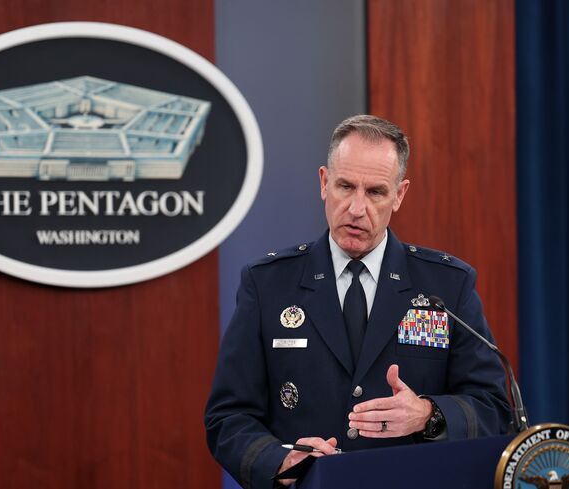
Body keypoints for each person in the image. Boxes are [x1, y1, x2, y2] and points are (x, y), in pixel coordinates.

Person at [204, 115, 510, 488]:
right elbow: (228, 417)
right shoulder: (268, 284)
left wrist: (429, 415)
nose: (356, 208)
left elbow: (494, 408)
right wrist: (280, 461)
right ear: (323, 183)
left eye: (376, 192)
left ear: (399, 195)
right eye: (345, 186)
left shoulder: (446, 285)